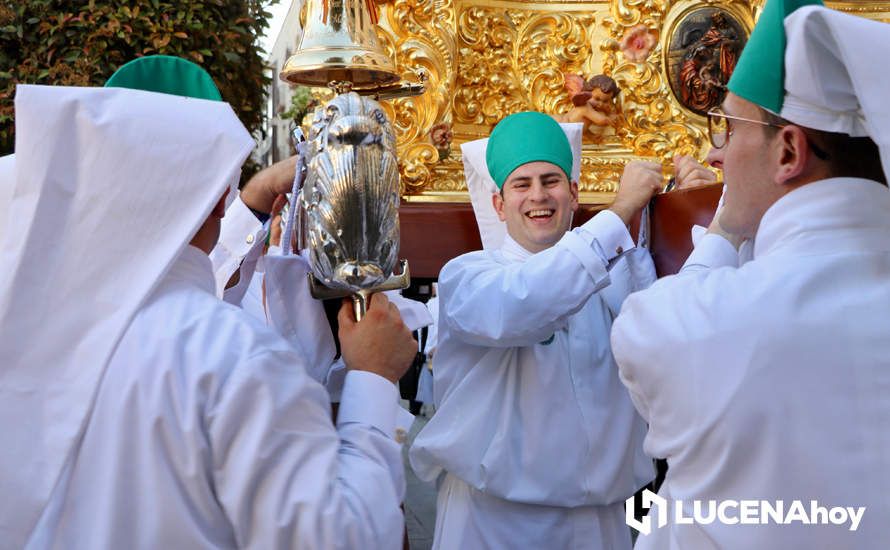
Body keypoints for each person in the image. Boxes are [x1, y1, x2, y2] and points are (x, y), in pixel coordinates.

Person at [0, 56, 417, 548]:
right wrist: (373, 380)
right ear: (222, 196)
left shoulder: (28, 318)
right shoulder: (233, 356)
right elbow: (347, 537)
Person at [611, 1, 890, 547]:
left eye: (729, 128)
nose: (717, 155)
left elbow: (643, 336)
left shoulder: (715, 317)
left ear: (788, 151)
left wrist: (724, 229)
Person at [409, 111, 662, 549]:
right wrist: (621, 209)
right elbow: (524, 303)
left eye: (551, 181)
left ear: (574, 193)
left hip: (599, 524)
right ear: (499, 205)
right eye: (521, 185)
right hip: (495, 524)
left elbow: (667, 344)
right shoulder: (468, 278)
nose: (538, 196)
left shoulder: (612, 274)